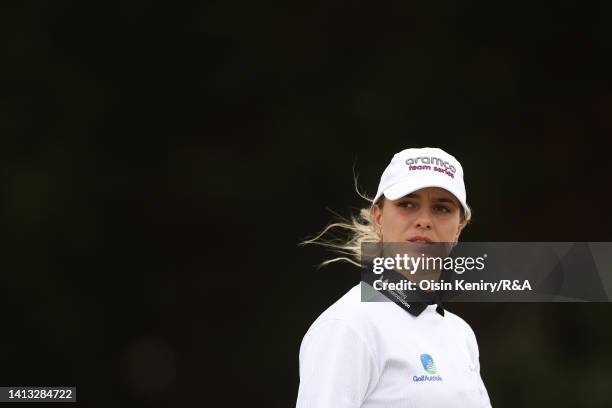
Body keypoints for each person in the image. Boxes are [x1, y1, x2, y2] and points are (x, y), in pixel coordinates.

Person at [296, 147, 492, 408]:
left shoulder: (460, 334)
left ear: (458, 228)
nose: (424, 220)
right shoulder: (348, 326)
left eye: (441, 208)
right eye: (407, 204)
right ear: (378, 217)